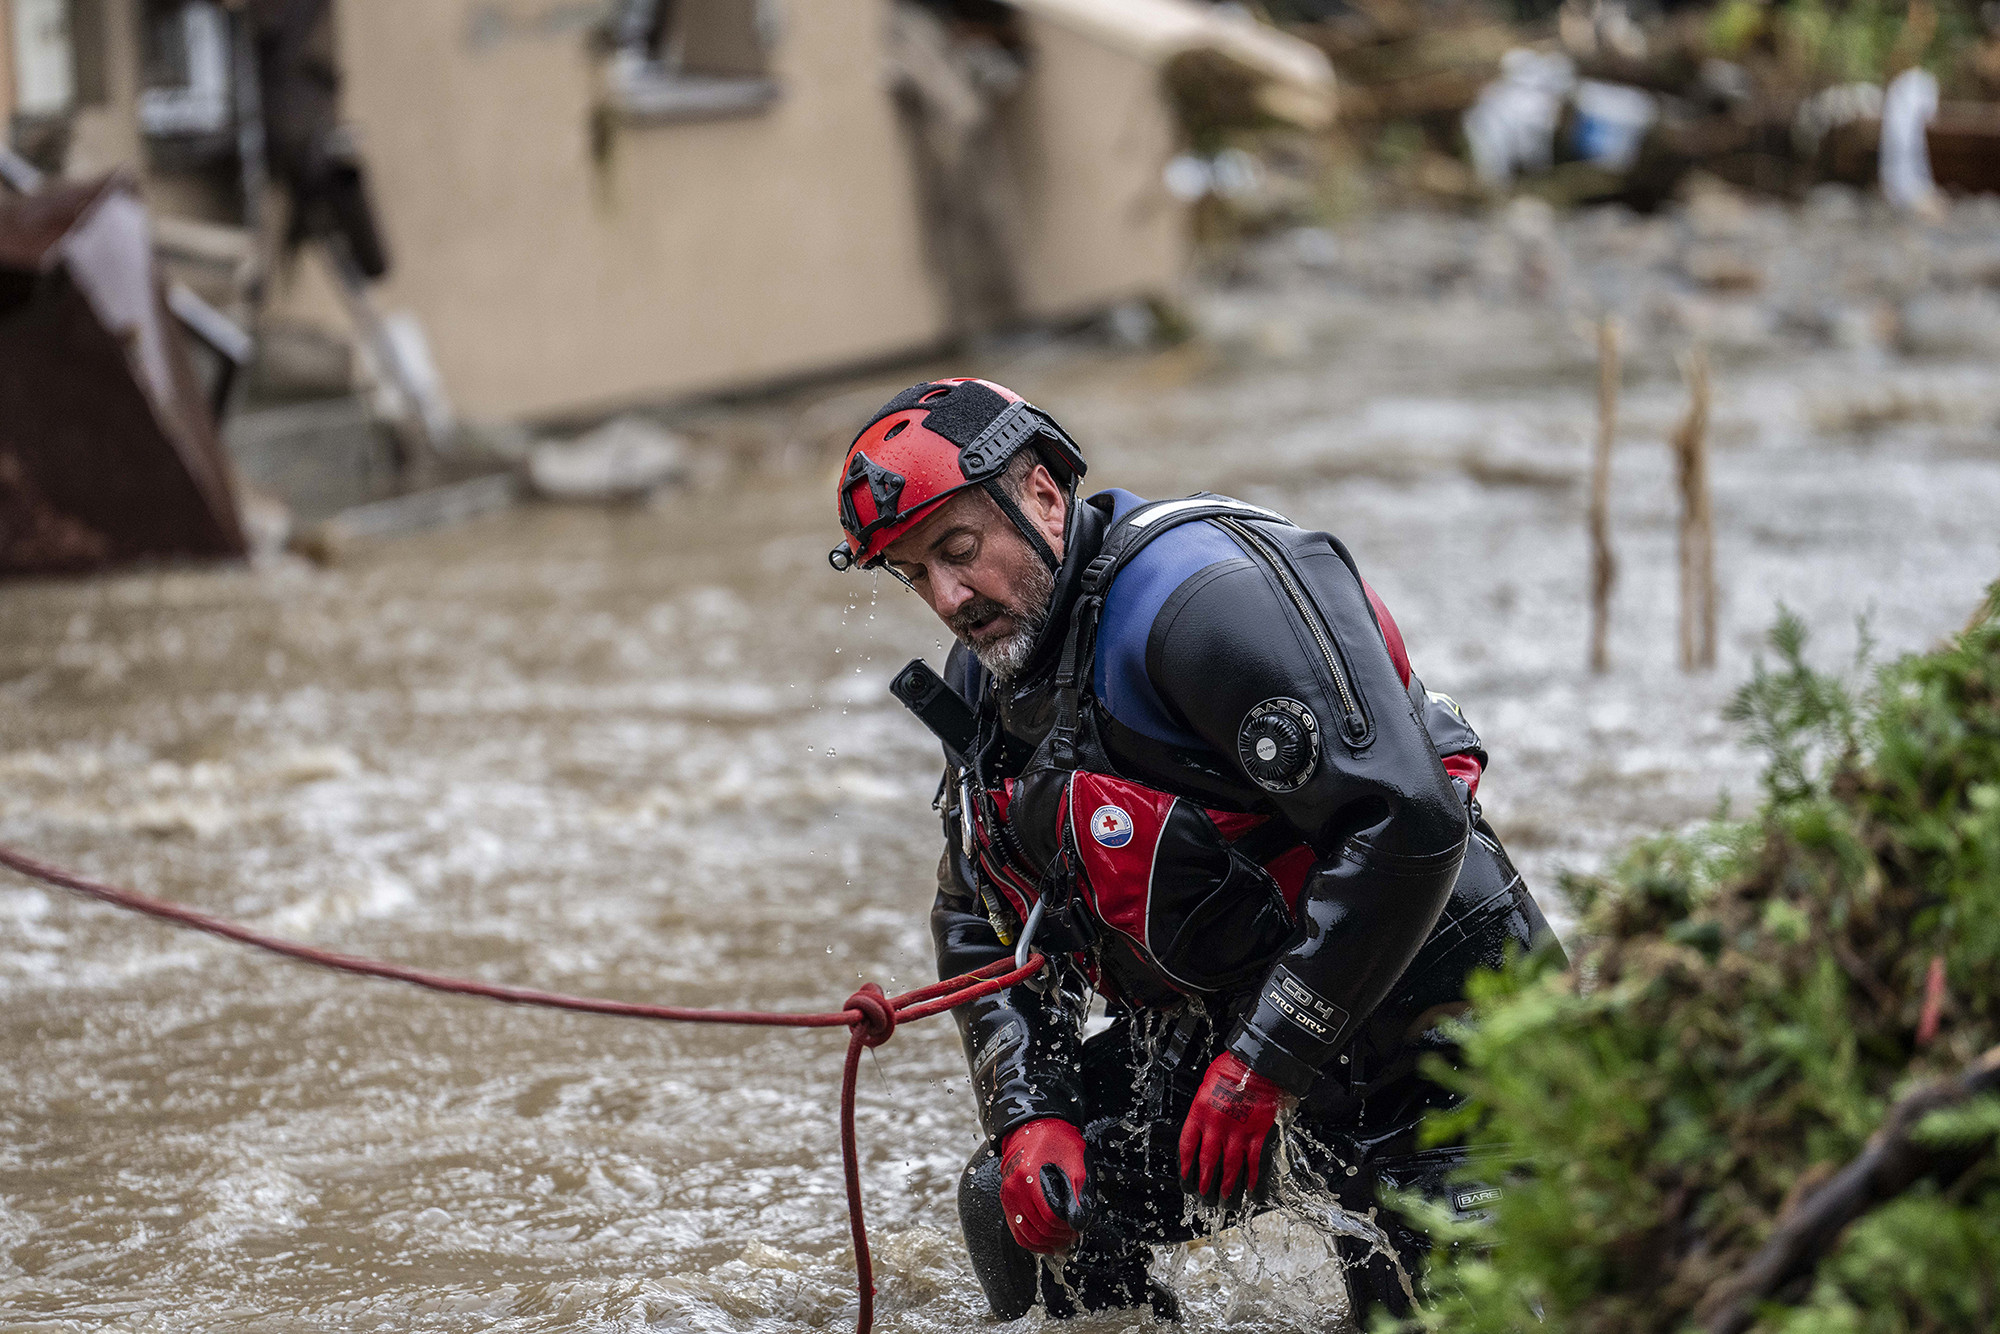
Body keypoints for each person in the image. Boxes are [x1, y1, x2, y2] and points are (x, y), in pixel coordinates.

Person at [829, 377, 1561, 1323]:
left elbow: (1411, 822)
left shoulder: (1205, 603)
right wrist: (1029, 1111)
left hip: (1443, 1042)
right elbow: (978, 915)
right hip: (1236, 1040)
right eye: (914, 573)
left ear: (1043, 494)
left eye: (958, 551)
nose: (948, 597)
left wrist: (1265, 1061)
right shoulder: (990, 682)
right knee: (1026, 1208)